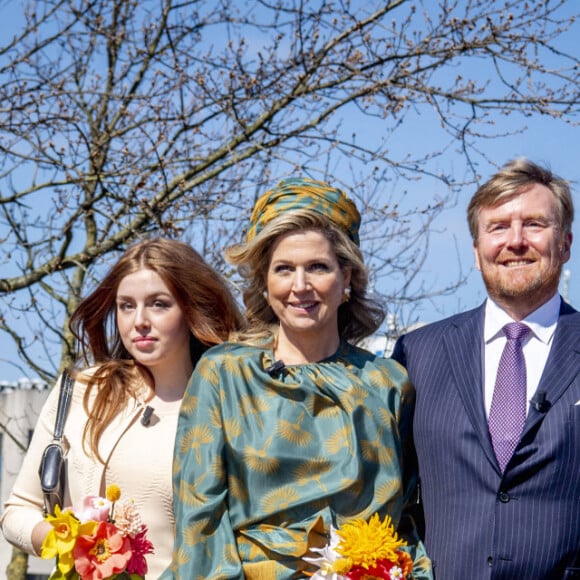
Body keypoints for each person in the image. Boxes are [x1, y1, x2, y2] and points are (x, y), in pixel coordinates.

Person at [163, 177, 432, 578]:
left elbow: (407, 518)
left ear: (347, 279)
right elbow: (200, 518)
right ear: (266, 283)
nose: (300, 286)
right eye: (284, 269)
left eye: (318, 268)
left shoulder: (388, 383)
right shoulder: (225, 373)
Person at [1, 237, 244, 578]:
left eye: (159, 304)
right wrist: (67, 541)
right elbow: (17, 512)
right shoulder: (81, 392)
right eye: (126, 306)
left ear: (192, 309)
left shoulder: (230, 406)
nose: (139, 320)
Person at [392, 158, 580, 579]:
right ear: (477, 252)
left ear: (565, 243)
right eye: (497, 227)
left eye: (534, 224)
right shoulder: (416, 353)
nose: (515, 241)